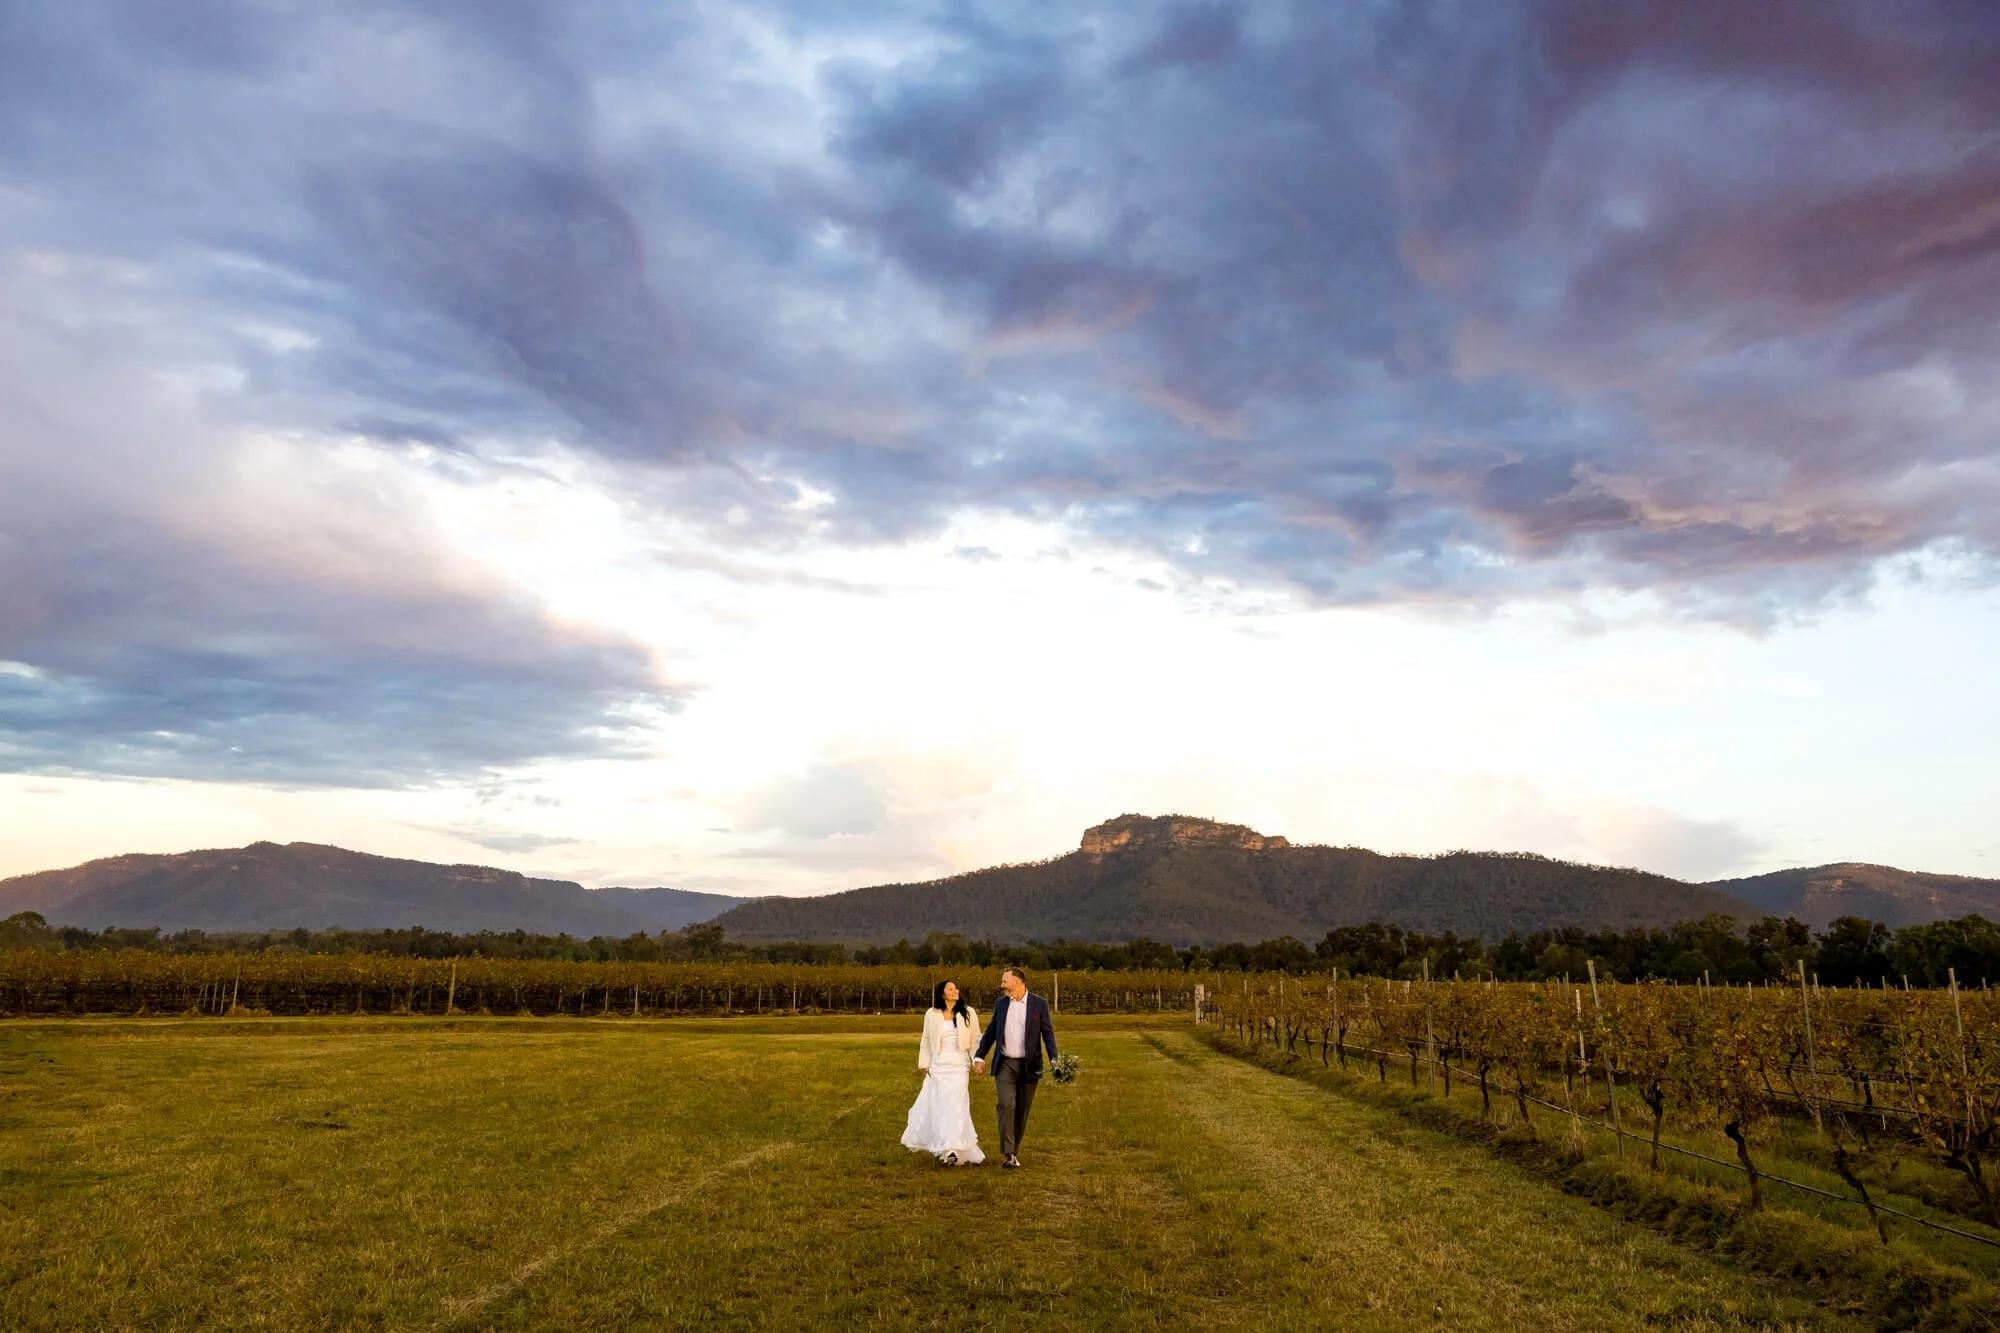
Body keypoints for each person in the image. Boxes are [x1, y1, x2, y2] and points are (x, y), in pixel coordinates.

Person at [973, 966, 1058, 1169]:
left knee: (1022, 1110)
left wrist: (1054, 1059)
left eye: (1005, 981)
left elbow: (1048, 1034)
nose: (1001, 985)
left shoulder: (1039, 1004)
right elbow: (992, 1030)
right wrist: (980, 1055)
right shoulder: (1001, 1004)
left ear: (1017, 982)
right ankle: (1008, 1153)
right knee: (1006, 1105)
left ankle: (1014, 1150)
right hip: (1005, 1064)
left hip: (1030, 1066)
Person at [900, 979, 985, 1166]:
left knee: (957, 1104)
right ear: (942, 994)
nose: (956, 990)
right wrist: (925, 1064)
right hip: (938, 1066)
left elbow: (976, 1039)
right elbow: (926, 1039)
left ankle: (952, 1147)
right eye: (951, 988)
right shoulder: (932, 1013)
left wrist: (977, 1060)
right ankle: (947, 1149)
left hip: (959, 1066)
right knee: (942, 1106)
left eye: (956, 988)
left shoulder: (968, 1013)